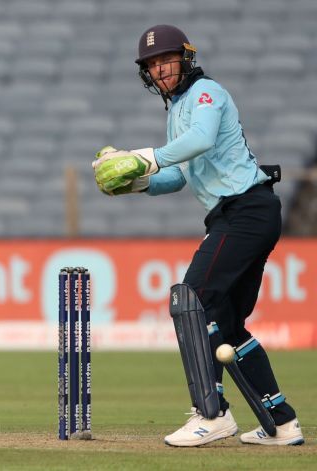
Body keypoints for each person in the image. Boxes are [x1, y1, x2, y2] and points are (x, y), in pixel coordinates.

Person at [92, 25, 303, 447]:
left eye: (166, 60)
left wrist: (141, 158)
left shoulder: (208, 93)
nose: (160, 69)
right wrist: (136, 182)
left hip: (244, 211)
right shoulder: (176, 110)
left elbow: (201, 140)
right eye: (152, 65)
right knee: (226, 324)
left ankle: (211, 413)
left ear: (186, 59)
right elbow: (177, 176)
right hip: (242, 214)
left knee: (191, 301)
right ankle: (280, 422)